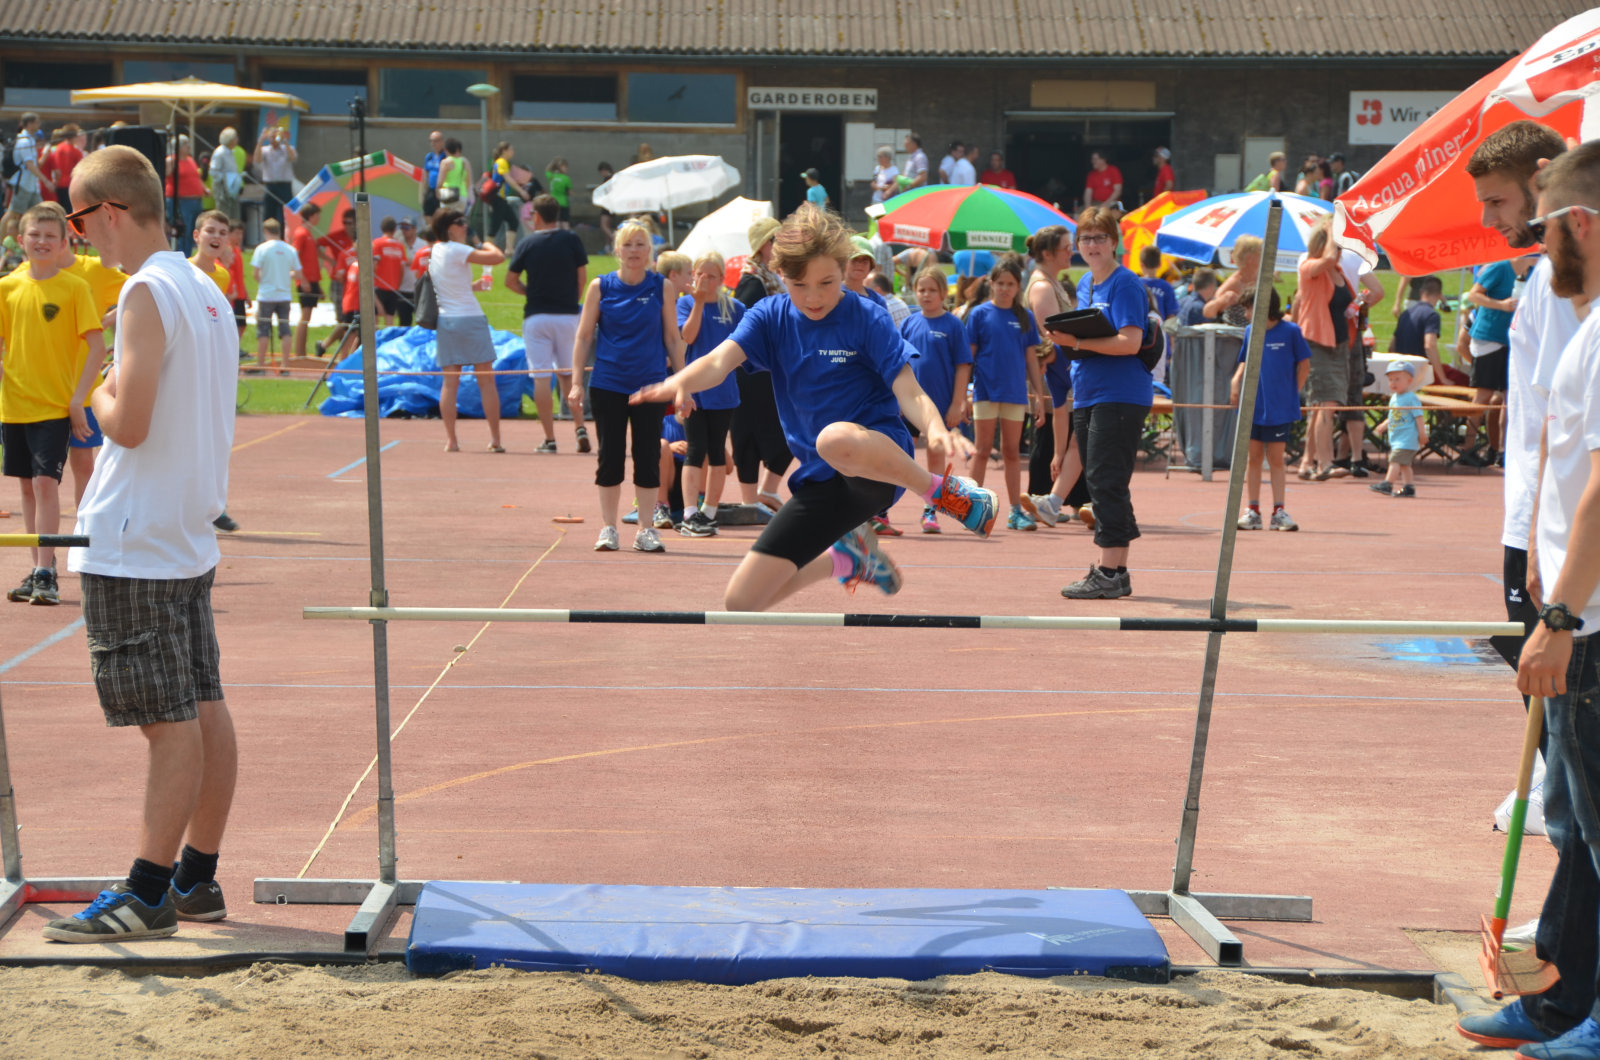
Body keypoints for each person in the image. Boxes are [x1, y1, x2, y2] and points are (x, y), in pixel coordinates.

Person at [44, 145, 239, 942]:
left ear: (110, 212)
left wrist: (94, 387)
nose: (83, 239)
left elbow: (127, 421)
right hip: (183, 530)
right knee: (202, 705)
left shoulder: (144, 292)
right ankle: (195, 876)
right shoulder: (204, 288)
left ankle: (148, 890)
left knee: (169, 722)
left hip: (136, 535)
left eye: (80, 223)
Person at [631, 202, 997, 612]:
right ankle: (848, 559)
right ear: (780, 274)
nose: (814, 297)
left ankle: (944, 493)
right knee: (741, 601)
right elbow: (718, 361)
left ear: (844, 270)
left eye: (827, 282)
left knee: (834, 438)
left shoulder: (866, 317)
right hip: (822, 482)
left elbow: (908, 391)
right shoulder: (770, 316)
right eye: (799, 285)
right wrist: (678, 382)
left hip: (873, 463)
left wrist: (934, 429)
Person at [1464, 138, 1600, 1060]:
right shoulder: (1573, 316)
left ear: (1579, 222)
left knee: (1591, 821)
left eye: (1539, 217)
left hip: (1585, 610)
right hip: (1568, 587)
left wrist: (1557, 617)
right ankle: (1564, 985)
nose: (1525, 237)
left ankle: (1574, 1006)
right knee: (1580, 822)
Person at [0, 202, 105, 606]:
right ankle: (36, 568)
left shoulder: (74, 288)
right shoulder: (8, 287)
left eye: (50, 236)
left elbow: (96, 346)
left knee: (46, 484)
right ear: (21, 240)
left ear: (64, 243)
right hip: (15, 406)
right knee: (26, 488)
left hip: (54, 407)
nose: (42, 242)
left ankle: (48, 571)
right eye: (35, 235)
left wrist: (78, 400)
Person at [1045, 207, 1152, 600]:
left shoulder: (1125, 284)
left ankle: (1109, 571)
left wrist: (1074, 342)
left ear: (1113, 242)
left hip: (1120, 393)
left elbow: (1130, 342)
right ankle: (1116, 571)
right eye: (1085, 239)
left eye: (1099, 238)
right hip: (1092, 390)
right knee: (1104, 481)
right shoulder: (1087, 283)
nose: (1091, 245)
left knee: (1106, 481)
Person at [570, 220, 684, 551]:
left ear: (650, 251)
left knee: (648, 454)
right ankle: (608, 528)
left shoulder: (661, 287)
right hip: (608, 383)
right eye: (628, 245)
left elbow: (673, 340)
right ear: (617, 250)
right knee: (610, 455)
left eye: (641, 245)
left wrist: (682, 386)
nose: (634, 251)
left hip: (650, 385)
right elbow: (583, 337)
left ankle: (646, 529)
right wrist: (576, 383)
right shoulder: (600, 287)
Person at [504, 195, 587, 453]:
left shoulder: (527, 243)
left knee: (541, 376)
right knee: (568, 375)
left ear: (537, 216)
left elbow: (509, 280)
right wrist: (572, 299)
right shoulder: (572, 239)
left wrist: (529, 291)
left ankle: (550, 439)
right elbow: (581, 277)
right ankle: (580, 427)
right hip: (567, 315)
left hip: (537, 316)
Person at [1022, 224, 1090, 530]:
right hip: (1051, 371)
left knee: (1064, 434)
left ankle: (1060, 498)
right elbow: (1050, 333)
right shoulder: (1042, 287)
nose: (1071, 251)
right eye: (1065, 247)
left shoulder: (1053, 282)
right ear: (1047, 253)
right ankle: (1041, 497)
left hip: (1061, 371)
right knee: (1049, 434)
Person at [676, 252, 744, 537]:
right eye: (700, 274)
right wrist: (700, 303)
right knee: (695, 447)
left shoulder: (734, 307)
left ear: (721, 279)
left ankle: (710, 511)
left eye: (711, 275)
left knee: (717, 449)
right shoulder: (686, 302)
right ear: (693, 275)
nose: (705, 280)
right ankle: (690, 511)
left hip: (723, 390)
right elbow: (687, 337)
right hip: (694, 390)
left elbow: (744, 345)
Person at [899, 265, 972, 533]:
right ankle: (880, 512)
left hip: (940, 404)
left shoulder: (952, 325)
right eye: (921, 290)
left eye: (932, 290)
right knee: (898, 455)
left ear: (943, 293)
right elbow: (898, 363)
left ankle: (931, 511)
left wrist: (957, 402)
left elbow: (963, 365)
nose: (926, 295)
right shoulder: (908, 323)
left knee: (936, 458)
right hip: (908, 404)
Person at [1231, 288, 1310, 531]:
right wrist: (1236, 381)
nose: (1246, 314)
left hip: (1279, 408)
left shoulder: (1291, 331)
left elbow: (1304, 364)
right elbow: (1245, 361)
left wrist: (1291, 394)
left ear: (1264, 306)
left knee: (1276, 459)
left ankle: (1279, 511)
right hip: (1253, 406)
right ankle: (1252, 511)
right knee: (1253, 458)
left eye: (1249, 308)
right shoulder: (1250, 331)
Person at [428, 207, 505, 454]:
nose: (465, 226)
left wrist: (472, 286)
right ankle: (495, 439)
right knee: (487, 381)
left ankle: (451, 440)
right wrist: (485, 242)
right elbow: (497, 257)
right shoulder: (457, 248)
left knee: (450, 384)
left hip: (447, 320)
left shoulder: (436, 250)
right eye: (460, 222)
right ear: (449, 228)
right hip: (469, 318)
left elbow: (451, 285)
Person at [731, 216, 793, 511]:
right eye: (776, 239)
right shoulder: (752, 281)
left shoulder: (775, 277)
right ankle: (749, 499)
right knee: (748, 433)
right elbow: (745, 324)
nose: (781, 244)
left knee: (787, 430)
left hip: (774, 368)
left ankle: (767, 490)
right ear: (764, 246)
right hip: (752, 370)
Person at [1462, 253, 1535, 468]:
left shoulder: (1535, 273)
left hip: (1517, 339)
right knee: (1483, 394)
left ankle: (1503, 450)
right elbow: (1474, 295)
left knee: (1511, 398)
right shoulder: (1500, 267)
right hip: (1489, 337)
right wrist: (1501, 305)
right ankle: (1468, 448)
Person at [1292, 221, 1353, 481]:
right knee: (1325, 404)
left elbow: (1354, 298)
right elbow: (1326, 258)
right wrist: (1331, 230)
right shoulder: (1309, 268)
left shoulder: (1336, 270)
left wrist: (1359, 303)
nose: (1339, 252)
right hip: (1317, 344)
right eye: (1336, 246)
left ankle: (1307, 462)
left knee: (1321, 407)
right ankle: (1324, 464)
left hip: (1339, 346)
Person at [248, 218, 299, 374]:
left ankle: (261, 365)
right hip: (284, 294)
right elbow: (297, 272)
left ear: (266, 231)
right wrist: (285, 276)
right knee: (285, 329)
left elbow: (255, 273)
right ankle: (285, 365)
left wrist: (265, 279)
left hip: (266, 294)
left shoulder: (262, 249)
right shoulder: (290, 249)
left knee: (263, 329)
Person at [1370, 362, 1426, 497]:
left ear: (1409, 381)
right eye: (1390, 380)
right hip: (1397, 438)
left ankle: (1387, 484)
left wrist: (1422, 434)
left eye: (1398, 379)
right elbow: (1394, 415)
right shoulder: (1394, 398)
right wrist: (1385, 424)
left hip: (1407, 439)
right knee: (1404, 465)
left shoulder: (1411, 398)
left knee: (1394, 460)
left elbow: (1419, 417)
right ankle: (1408, 488)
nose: (1393, 383)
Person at [1390, 275, 1446, 387]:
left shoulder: (1406, 314)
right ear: (1439, 295)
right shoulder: (1432, 315)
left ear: (1421, 292)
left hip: (1400, 368)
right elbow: (1430, 345)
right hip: (1420, 372)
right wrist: (1443, 378)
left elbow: (1392, 346)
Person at [289, 202, 323, 361]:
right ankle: (299, 353)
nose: (319, 218)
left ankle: (301, 352)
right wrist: (302, 279)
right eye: (317, 215)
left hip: (312, 279)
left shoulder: (308, 234)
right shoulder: (301, 233)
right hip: (306, 280)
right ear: (311, 216)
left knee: (307, 316)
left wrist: (318, 285)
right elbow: (295, 254)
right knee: (305, 315)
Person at [484, 141, 529, 254]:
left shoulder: (502, 162)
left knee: (512, 221)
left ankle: (509, 250)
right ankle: (486, 249)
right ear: (504, 151)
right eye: (511, 150)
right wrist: (521, 191)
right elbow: (507, 178)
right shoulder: (502, 162)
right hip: (498, 198)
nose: (512, 152)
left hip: (501, 199)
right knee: (495, 226)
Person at [164, 136, 205, 257]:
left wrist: (203, 188)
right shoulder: (171, 160)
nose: (189, 146)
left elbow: (196, 177)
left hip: (195, 201)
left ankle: (188, 254)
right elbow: (165, 175)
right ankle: (181, 255)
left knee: (193, 230)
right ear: (178, 146)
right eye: (185, 144)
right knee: (183, 231)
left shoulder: (190, 160)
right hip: (180, 201)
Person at [252, 125, 296, 230]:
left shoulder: (287, 149)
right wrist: (261, 141)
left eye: (275, 136)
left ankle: (284, 236)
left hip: (285, 185)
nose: (274, 139)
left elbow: (293, 157)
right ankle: (268, 234)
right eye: (271, 137)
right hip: (270, 185)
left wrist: (285, 140)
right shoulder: (265, 150)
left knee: (285, 214)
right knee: (268, 213)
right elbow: (257, 160)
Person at [371, 216, 409, 328]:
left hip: (379, 286)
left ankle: (375, 344)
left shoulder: (377, 243)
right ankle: (388, 343)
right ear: (394, 230)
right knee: (390, 321)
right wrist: (398, 283)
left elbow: (374, 265)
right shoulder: (399, 246)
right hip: (393, 287)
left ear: (382, 228)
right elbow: (402, 268)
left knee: (375, 319)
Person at [7, 113, 44, 218]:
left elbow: (35, 164)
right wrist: (45, 181)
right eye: (37, 122)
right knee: (13, 214)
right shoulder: (24, 141)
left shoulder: (31, 140)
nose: (39, 124)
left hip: (31, 185)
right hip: (23, 184)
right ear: (30, 124)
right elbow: (29, 165)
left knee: (39, 212)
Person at [44, 123, 83, 214]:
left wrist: (55, 182)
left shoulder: (58, 149)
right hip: (71, 184)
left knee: (60, 211)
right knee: (70, 212)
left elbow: (56, 169)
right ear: (75, 136)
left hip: (58, 184)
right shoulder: (76, 152)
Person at [208, 128, 241, 222]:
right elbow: (213, 171)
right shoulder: (220, 152)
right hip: (222, 188)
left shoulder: (231, 152)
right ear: (230, 139)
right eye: (235, 138)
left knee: (234, 215)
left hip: (232, 188)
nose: (237, 140)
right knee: (224, 214)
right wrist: (226, 178)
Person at [396, 216, 425, 327]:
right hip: (403, 289)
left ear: (414, 229)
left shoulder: (423, 245)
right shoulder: (398, 244)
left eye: (407, 227)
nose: (404, 230)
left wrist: (413, 262)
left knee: (422, 323)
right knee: (404, 324)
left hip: (420, 290)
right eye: (402, 227)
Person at [1137, 246, 1179, 321]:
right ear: (1159, 264)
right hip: (1160, 329)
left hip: (1139, 329)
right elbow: (1171, 315)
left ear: (1141, 265)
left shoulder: (1135, 285)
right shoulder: (1166, 287)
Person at [225, 220, 249, 346]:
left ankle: (236, 347)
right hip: (232, 295)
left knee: (242, 324)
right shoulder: (226, 251)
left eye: (241, 233)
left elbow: (240, 275)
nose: (239, 237)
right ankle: (233, 347)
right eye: (237, 233)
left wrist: (246, 295)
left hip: (239, 294)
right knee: (235, 325)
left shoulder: (238, 250)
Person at [436, 138, 470, 210]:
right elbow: (468, 182)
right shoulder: (465, 162)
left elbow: (440, 182)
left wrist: (437, 191)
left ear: (446, 150)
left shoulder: (446, 162)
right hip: (462, 195)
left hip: (449, 193)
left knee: (446, 219)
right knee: (458, 219)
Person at [421, 131, 446, 220]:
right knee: (427, 213)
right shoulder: (429, 157)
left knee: (440, 215)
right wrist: (424, 191)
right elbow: (425, 174)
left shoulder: (445, 156)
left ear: (442, 141)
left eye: (436, 141)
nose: (433, 144)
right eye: (431, 141)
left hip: (442, 190)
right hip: (431, 190)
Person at [544, 157, 572, 227]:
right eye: (565, 167)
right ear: (560, 168)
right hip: (563, 202)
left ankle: (556, 235)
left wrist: (554, 162)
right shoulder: (566, 178)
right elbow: (570, 192)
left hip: (553, 202)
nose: (566, 169)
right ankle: (566, 237)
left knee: (556, 221)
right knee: (565, 221)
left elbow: (547, 170)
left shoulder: (551, 176)